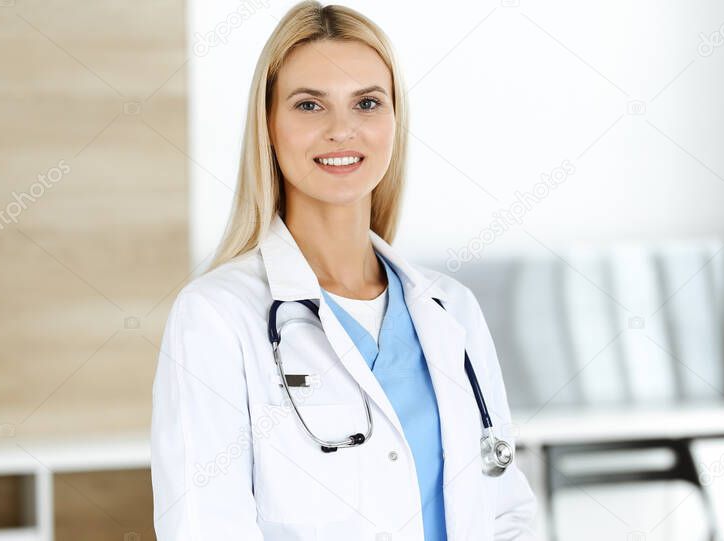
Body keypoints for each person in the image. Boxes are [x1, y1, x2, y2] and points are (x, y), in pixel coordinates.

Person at [150, 2, 537, 539]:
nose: (342, 130)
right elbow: (205, 527)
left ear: (394, 122)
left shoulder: (451, 308)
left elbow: (504, 509)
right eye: (310, 105)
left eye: (367, 103)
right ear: (268, 124)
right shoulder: (215, 316)